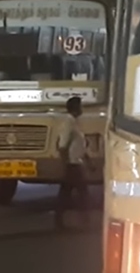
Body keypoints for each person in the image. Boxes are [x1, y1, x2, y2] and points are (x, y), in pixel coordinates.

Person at [55, 96, 89, 230]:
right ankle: (82, 220)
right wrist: (65, 165)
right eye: (80, 106)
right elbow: (62, 146)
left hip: (76, 163)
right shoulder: (68, 123)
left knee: (68, 193)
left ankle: (61, 220)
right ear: (75, 108)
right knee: (81, 193)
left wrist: (88, 161)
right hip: (72, 165)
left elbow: (79, 145)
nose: (82, 109)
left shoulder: (75, 122)